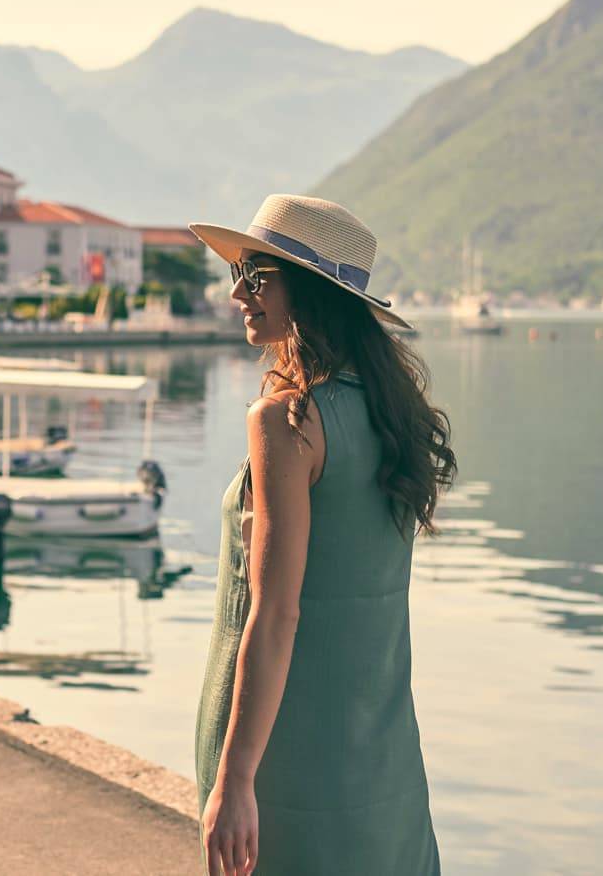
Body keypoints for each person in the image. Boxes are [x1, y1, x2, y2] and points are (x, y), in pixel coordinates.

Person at [189, 195, 457, 875]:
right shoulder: (394, 417)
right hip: (380, 742)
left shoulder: (285, 420)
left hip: (282, 741)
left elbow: (276, 613)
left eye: (256, 276)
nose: (236, 293)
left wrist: (237, 778)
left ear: (305, 291)